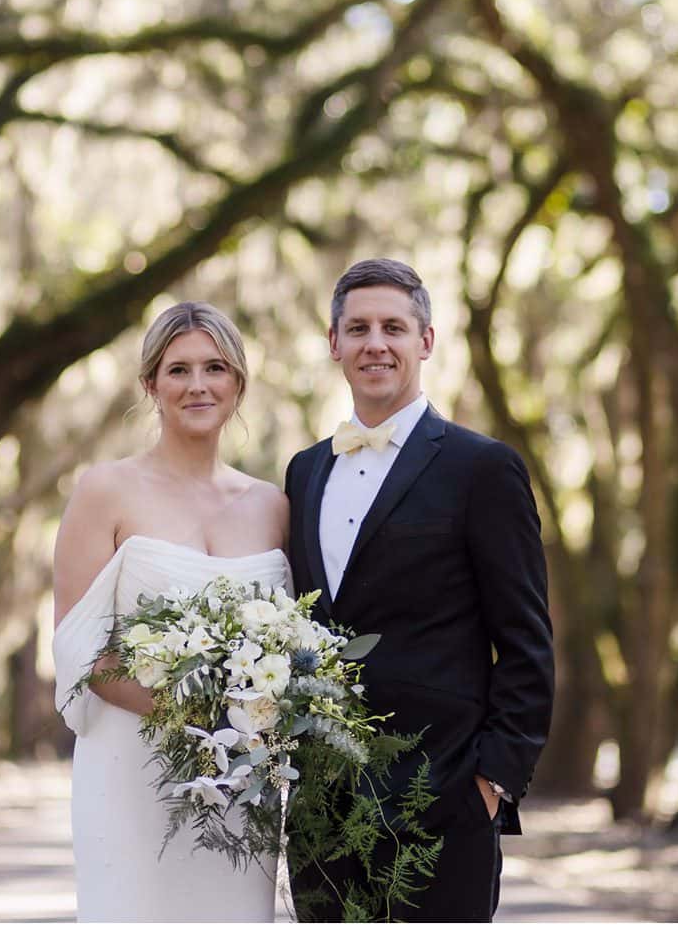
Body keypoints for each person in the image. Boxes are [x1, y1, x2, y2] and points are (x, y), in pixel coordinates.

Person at [285, 258, 554, 923]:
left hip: (442, 806)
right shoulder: (303, 472)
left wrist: (491, 785)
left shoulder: (482, 467)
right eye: (359, 327)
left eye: (394, 327)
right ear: (334, 342)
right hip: (321, 815)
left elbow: (526, 643)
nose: (376, 342)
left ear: (425, 341)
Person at [51, 302, 291, 922]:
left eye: (215, 367)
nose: (198, 384)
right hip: (132, 770)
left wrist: (248, 724)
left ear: (238, 383)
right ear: (150, 385)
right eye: (178, 369)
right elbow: (81, 653)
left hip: (240, 788)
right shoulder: (104, 491)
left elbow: (293, 645)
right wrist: (197, 717)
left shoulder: (271, 505)